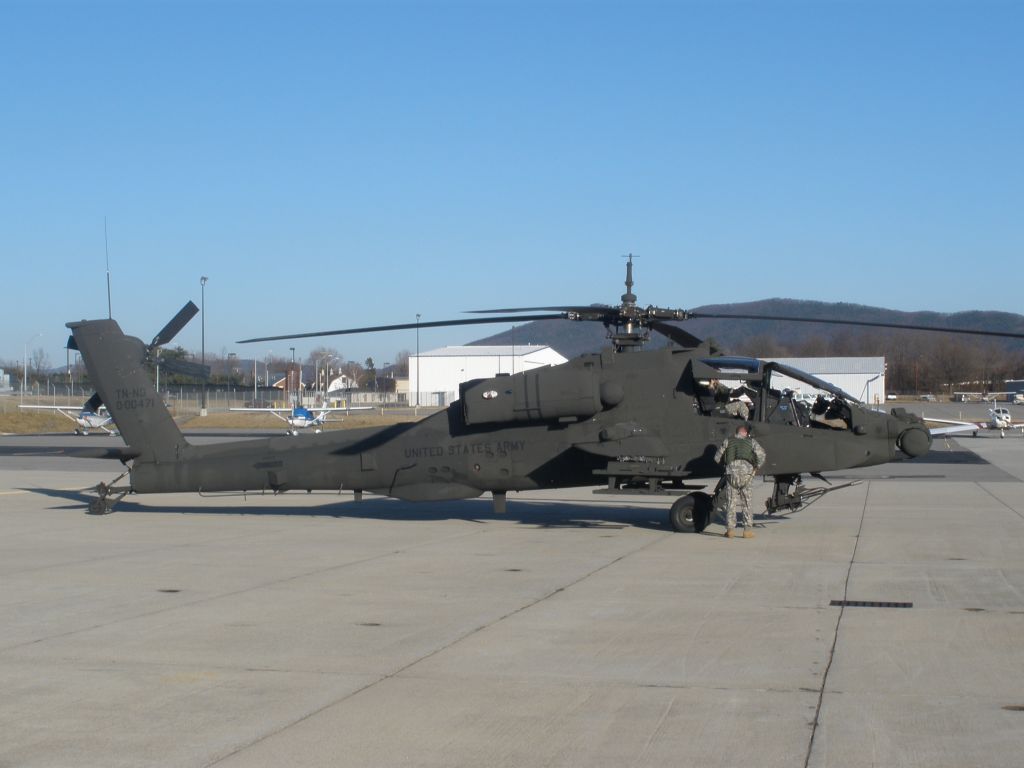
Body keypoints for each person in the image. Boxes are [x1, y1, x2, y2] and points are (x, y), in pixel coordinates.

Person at [714, 424, 766, 539]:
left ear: (737, 432)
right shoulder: (751, 442)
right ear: (745, 432)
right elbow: (762, 455)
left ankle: (730, 531)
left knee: (731, 503)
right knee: (747, 502)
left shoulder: (728, 441)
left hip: (731, 475)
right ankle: (747, 531)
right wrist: (756, 467)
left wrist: (726, 466)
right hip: (747, 475)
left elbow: (717, 458)